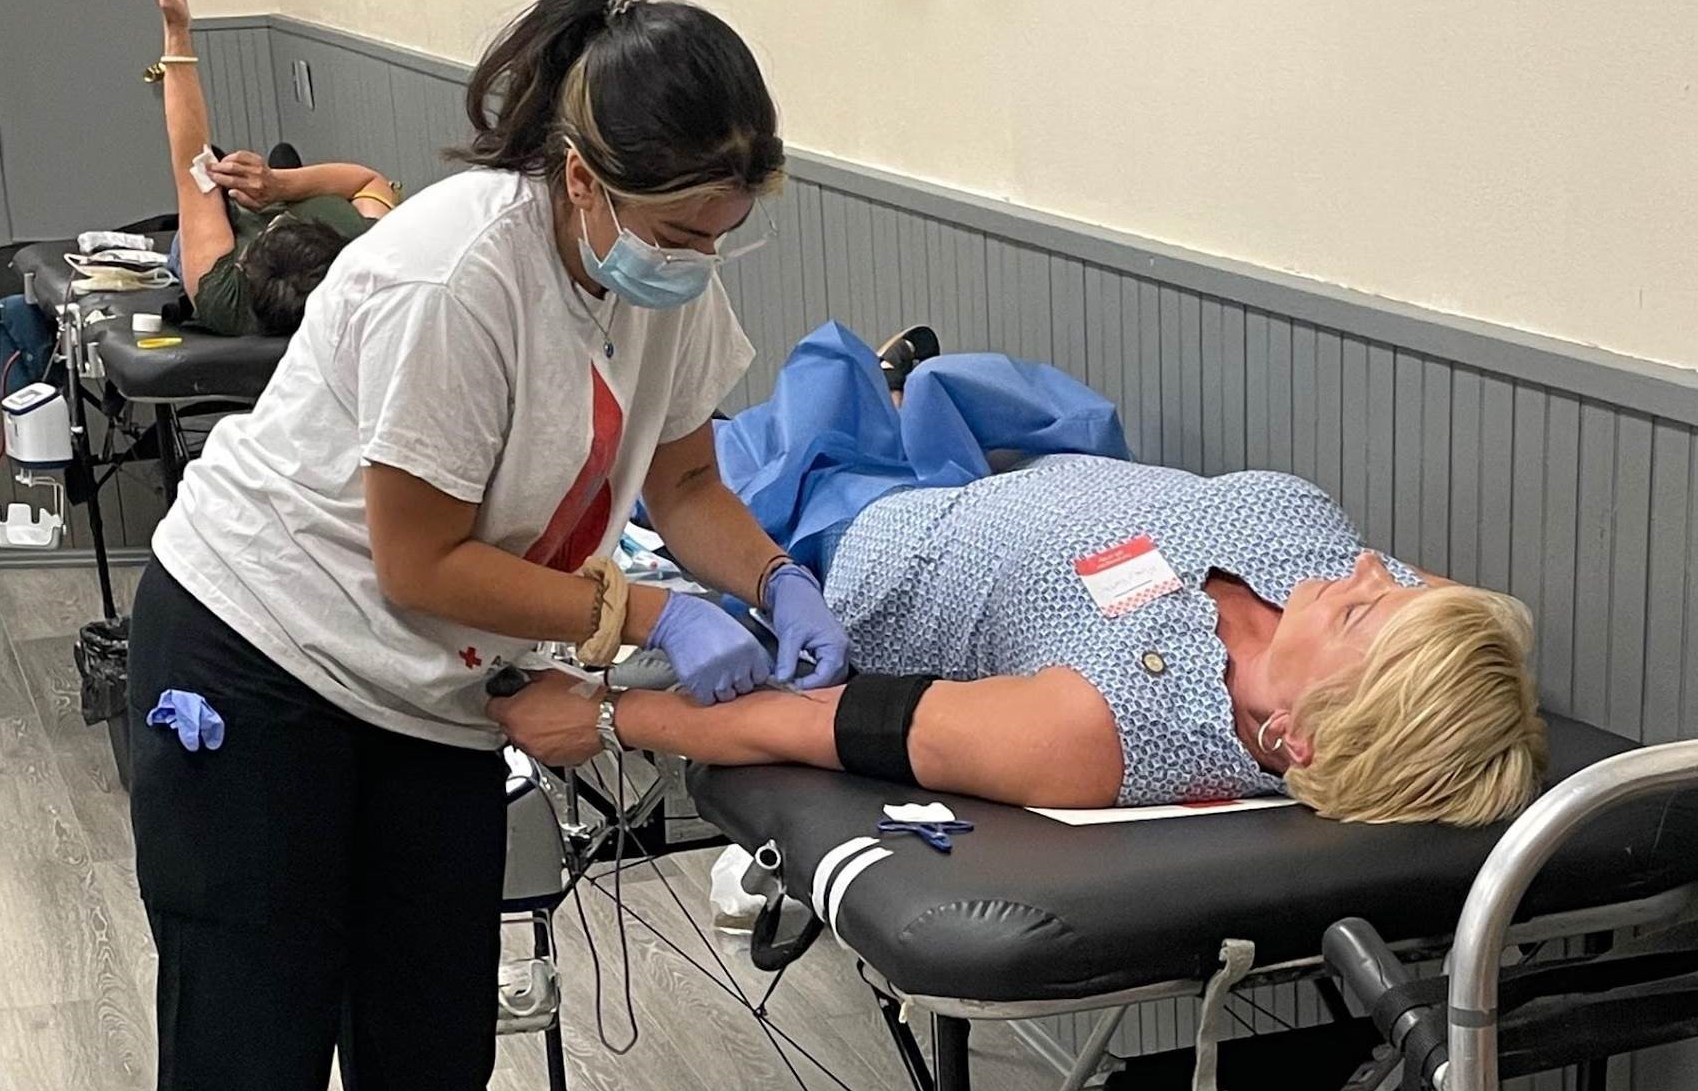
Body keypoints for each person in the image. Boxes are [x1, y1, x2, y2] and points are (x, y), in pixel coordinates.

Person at [128, 0, 851, 1091]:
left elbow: (684, 474)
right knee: (247, 1076)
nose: (700, 255)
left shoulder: (660, 271)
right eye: (679, 225)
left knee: (430, 1060)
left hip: (424, 693)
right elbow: (418, 560)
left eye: (727, 228)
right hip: (256, 660)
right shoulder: (453, 274)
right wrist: (643, 617)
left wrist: (770, 577)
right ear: (582, 180)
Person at [492, 449, 1547, 827]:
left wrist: (610, 717)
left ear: (1299, 738)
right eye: (1388, 582)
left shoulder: (1108, 727)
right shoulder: (1350, 587)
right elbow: (1464, 628)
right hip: (1018, 466)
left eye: (1365, 608)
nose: (1372, 571)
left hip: (864, 550)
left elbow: (821, 722)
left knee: (716, 461)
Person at [148, 0, 399, 336]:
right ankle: (279, 170)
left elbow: (189, 161)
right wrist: (279, 185)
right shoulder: (364, 249)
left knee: (211, 173)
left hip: (219, 234)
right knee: (276, 159)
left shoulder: (224, 297)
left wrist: (176, 29)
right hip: (299, 217)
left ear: (242, 266)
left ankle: (244, 190)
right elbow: (368, 181)